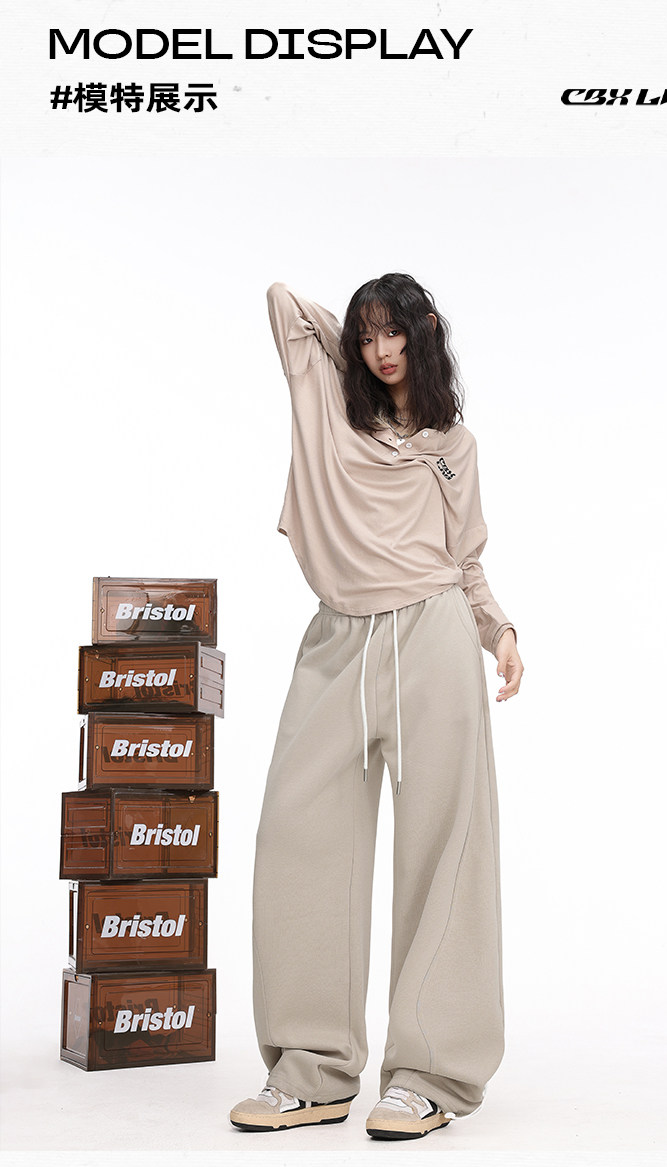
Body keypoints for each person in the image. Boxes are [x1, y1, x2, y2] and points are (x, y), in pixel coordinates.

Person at [229, 274, 524, 1140]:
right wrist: (351, 336)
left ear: (426, 332)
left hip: (434, 636)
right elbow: (284, 304)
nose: (381, 350)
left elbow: (465, 561)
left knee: (444, 850)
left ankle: (429, 1074)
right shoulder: (333, 411)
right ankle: (311, 1068)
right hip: (338, 640)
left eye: (396, 333)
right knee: (298, 836)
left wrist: (499, 630)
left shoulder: (453, 445)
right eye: (367, 336)